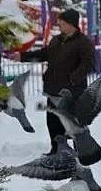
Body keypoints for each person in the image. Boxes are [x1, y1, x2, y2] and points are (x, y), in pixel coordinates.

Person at [11, 9, 95, 155]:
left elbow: (88, 64)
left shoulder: (83, 43)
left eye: (61, 23)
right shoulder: (56, 40)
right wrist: (23, 56)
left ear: (70, 24)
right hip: (53, 91)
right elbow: (44, 54)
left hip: (72, 93)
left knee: (74, 123)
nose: (59, 26)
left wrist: (73, 79)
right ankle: (57, 150)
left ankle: (81, 151)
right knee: (53, 122)